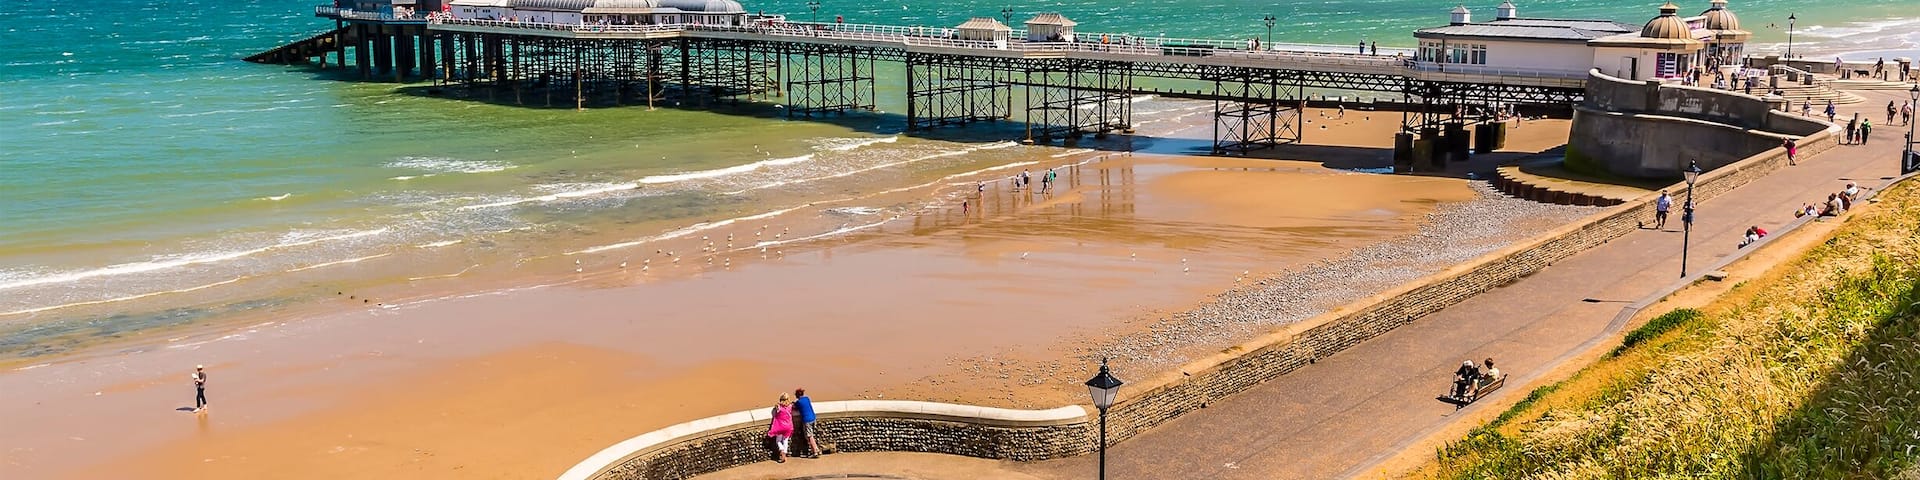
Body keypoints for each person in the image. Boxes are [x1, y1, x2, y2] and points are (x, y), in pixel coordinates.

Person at [793, 388, 822, 458]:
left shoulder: (798, 402)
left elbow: (794, 407)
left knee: (809, 436)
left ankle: (815, 451)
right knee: (810, 435)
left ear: (797, 395)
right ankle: (815, 449)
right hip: (813, 417)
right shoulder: (807, 398)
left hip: (807, 420)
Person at [767, 393, 795, 463]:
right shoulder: (790, 406)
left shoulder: (779, 407)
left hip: (780, 426)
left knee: (778, 441)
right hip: (788, 426)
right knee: (785, 441)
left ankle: (781, 450)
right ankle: (784, 455)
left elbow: (775, 412)